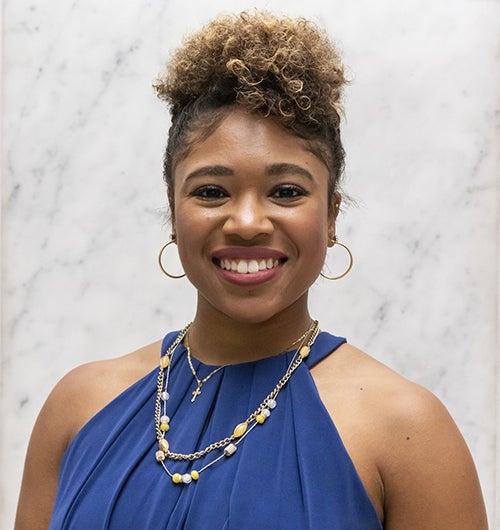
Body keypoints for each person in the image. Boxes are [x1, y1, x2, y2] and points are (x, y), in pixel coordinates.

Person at [15, 10, 488, 529]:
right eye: (211, 192)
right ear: (174, 214)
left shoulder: (409, 433)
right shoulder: (79, 407)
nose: (245, 222)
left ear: (331, 215)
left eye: (286, 192)